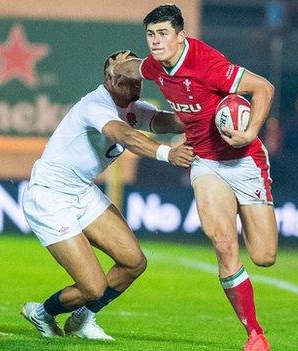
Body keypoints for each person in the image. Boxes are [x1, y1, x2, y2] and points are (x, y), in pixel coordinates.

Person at [110, 5, 276, 350]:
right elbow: (133, 68)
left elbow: (263, 88)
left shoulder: (208, 65)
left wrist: (249, 134)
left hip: (245, 159)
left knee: (263, 256)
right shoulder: (155, 64)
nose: (156, 42)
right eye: (151, 35)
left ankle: (250, 220)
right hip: (204, 162)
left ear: (180, 35)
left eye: (163, 34)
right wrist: (116, 66)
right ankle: (255, 335)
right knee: (223, 244)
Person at [20, 50, 194, 340]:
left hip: (82, 191)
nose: (132, 83)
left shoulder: (131, 107)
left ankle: (82, 320)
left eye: (135, 77)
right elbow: (124, 135)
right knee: (93, 288)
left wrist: (206, 114)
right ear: (109, 77)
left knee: (134, 262)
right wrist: (168, 153)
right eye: (124, 76)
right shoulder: (95, 104)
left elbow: (166, 121)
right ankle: (42, 313)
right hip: (50, 195)